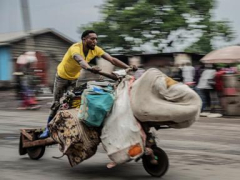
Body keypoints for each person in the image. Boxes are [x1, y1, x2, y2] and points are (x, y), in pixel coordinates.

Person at [40, 30, 135, 138]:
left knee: (73, 101)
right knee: (56, 104)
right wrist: (90, 68)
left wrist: (128, 67)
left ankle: (69, 125)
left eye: (96, 39)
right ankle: (47, 129)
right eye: (92, 39)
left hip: (74, 79)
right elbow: (80, 61)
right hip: (61, 78)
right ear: (84, 39)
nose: (95, 41)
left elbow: (112, 59)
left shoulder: (95, 50)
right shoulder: (75, 48)